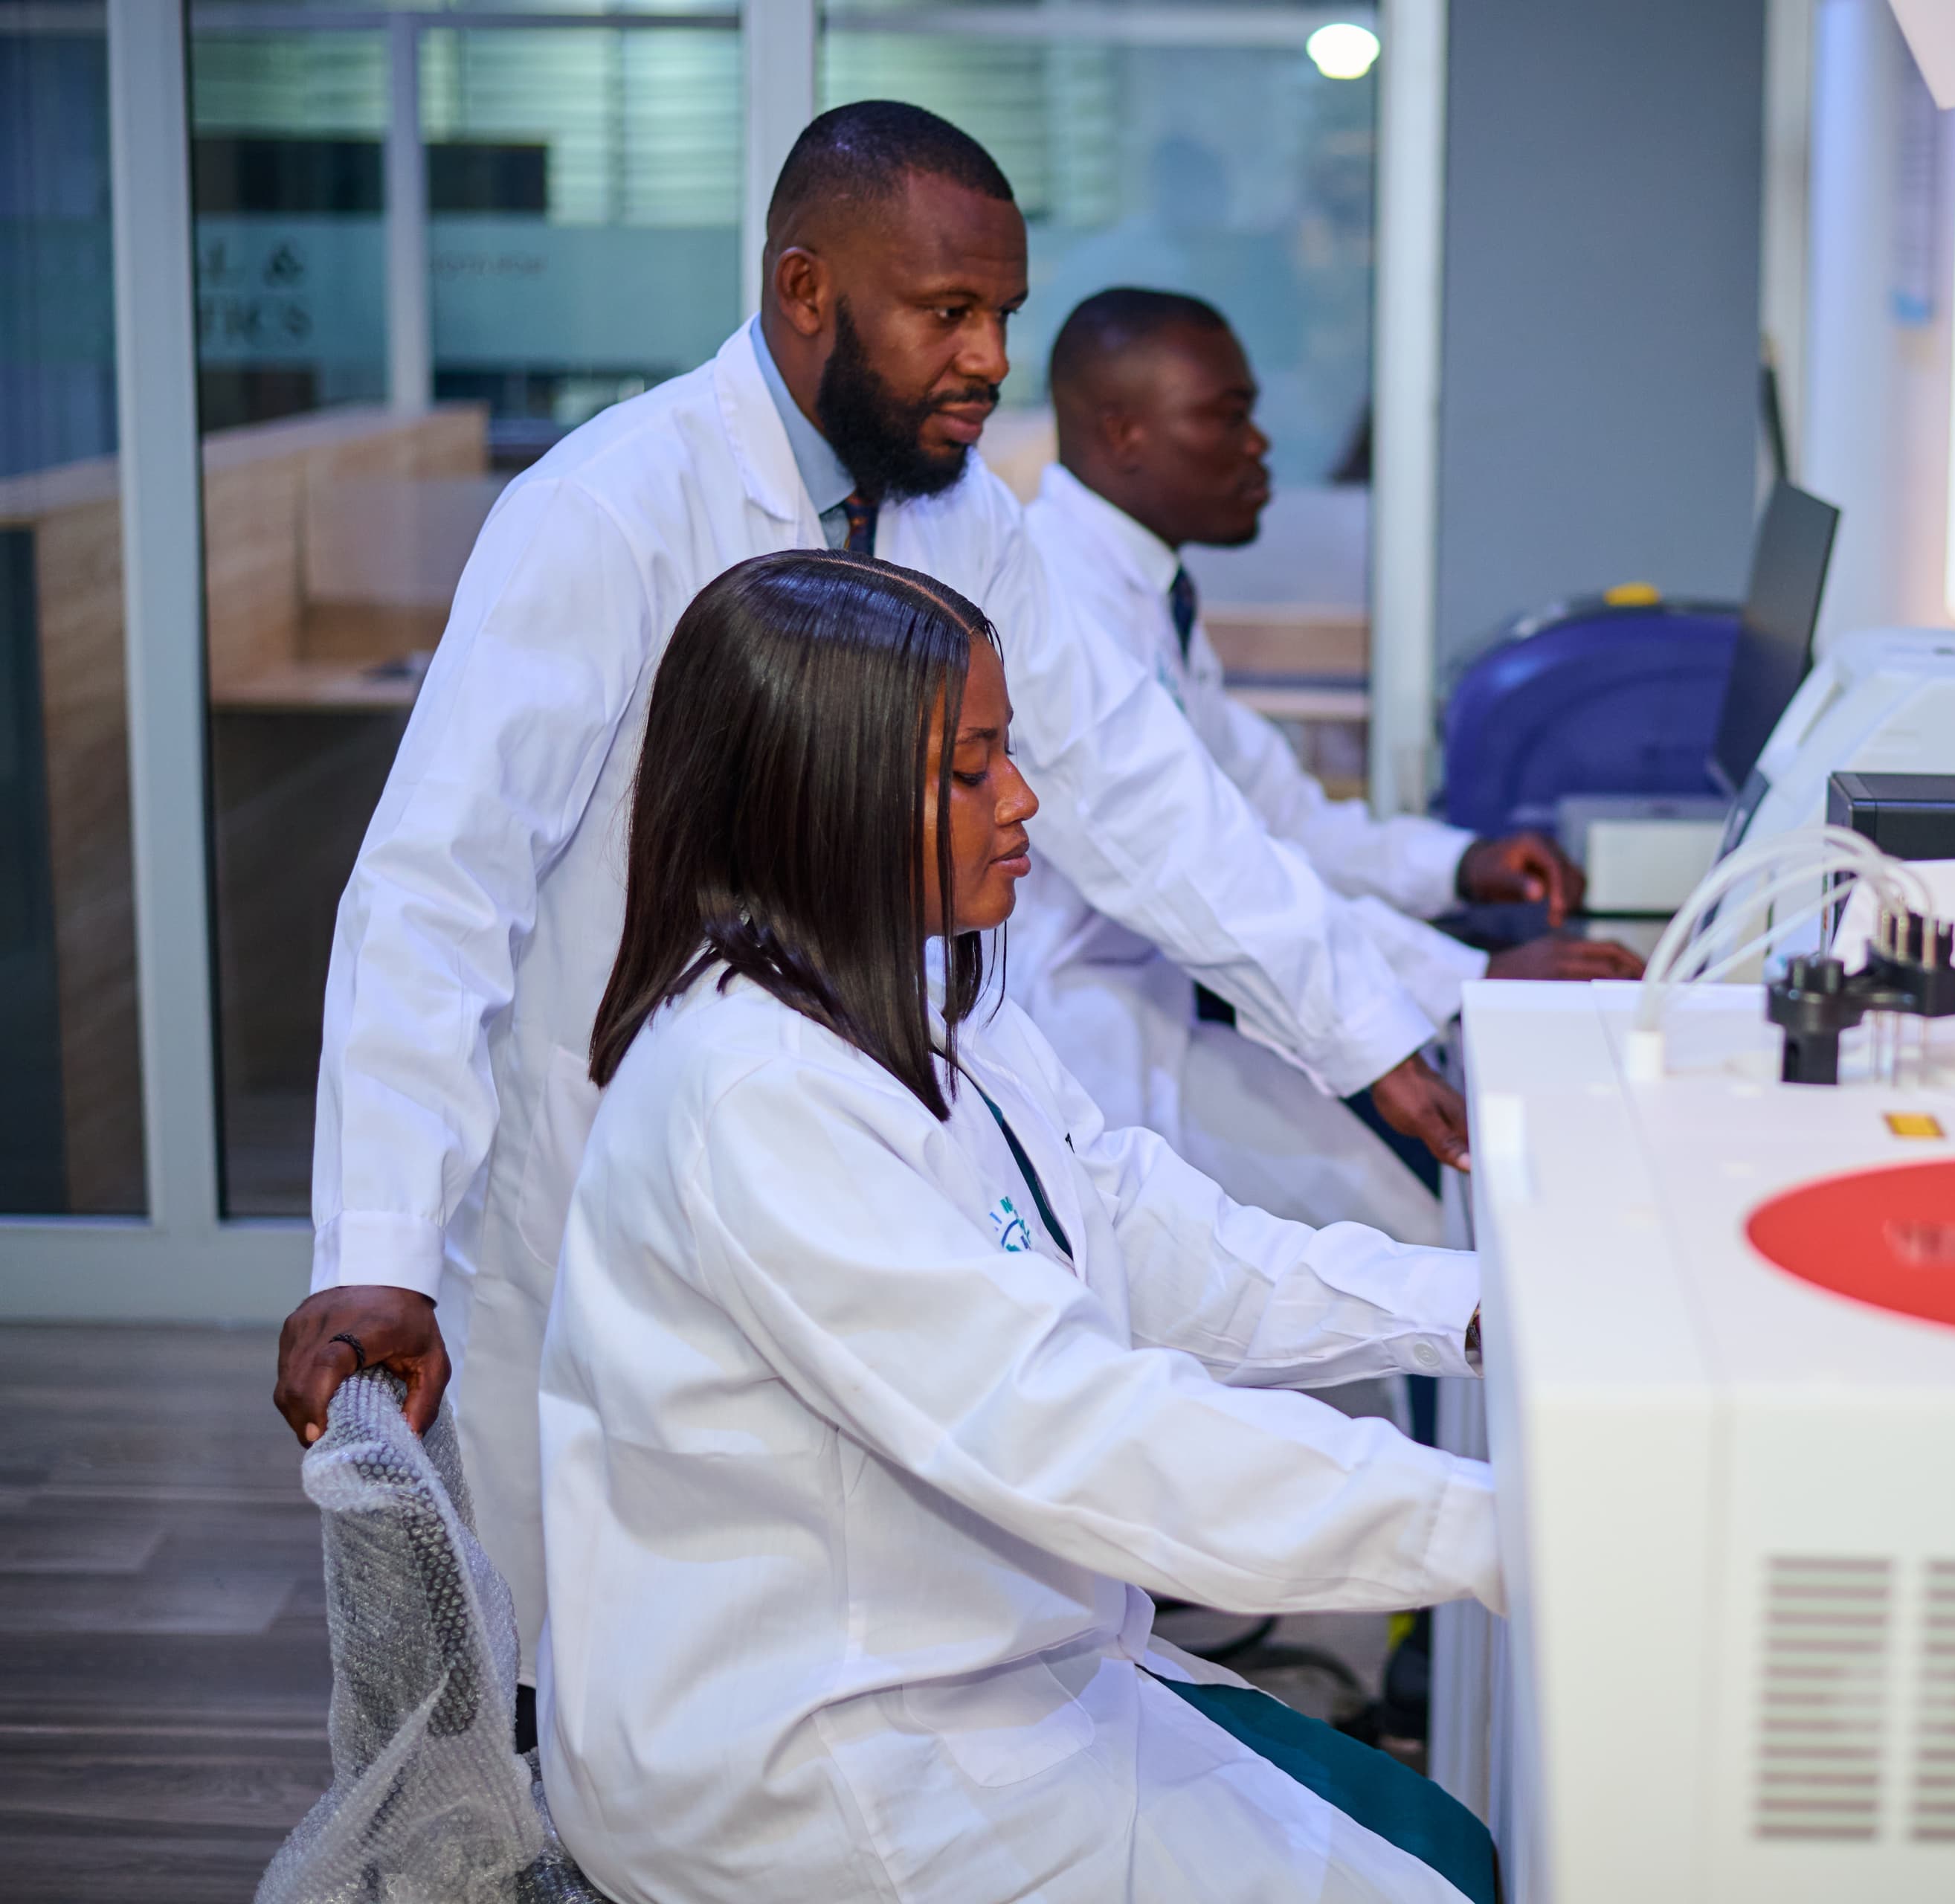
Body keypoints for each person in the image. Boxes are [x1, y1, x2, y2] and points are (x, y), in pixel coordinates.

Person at [271, 103, 1481, 1718]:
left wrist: (1367, 1035)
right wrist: (378, 1246)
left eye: (1005, 314)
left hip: (856, 1143)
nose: (990, 360)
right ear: (805, 291)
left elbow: (1137, 791)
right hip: (602, 1158)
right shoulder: (613, 507)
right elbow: (441, 881)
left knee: (829, 1610)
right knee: (572, 1660)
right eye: (947, 313)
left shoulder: (962, 511)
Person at [538, 550, 1499, 1903]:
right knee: (1442, 1880)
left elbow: (1143, 1232)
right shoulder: (755, 1096)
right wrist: (1494, 1530)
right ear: (828, 795)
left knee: (1448, 1853)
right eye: (970, 769)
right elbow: (1076, 1427)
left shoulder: (922, 991)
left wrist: (1468, 1310)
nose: (1023, 798)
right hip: (823, 1763)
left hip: (985, 1670)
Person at [1022, 287, 1642, 1241]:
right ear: (1124, 433)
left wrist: (1460, 866)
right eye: (1225, 416)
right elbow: (1209, 860)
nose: (1260, 445)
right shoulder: (1061, 601)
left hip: (1164, 1010)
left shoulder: (1146, 589)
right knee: (1420, 1231)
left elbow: (1282, 816)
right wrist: (1465, 974)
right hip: (1085, 1046)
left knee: (1426, 1220)